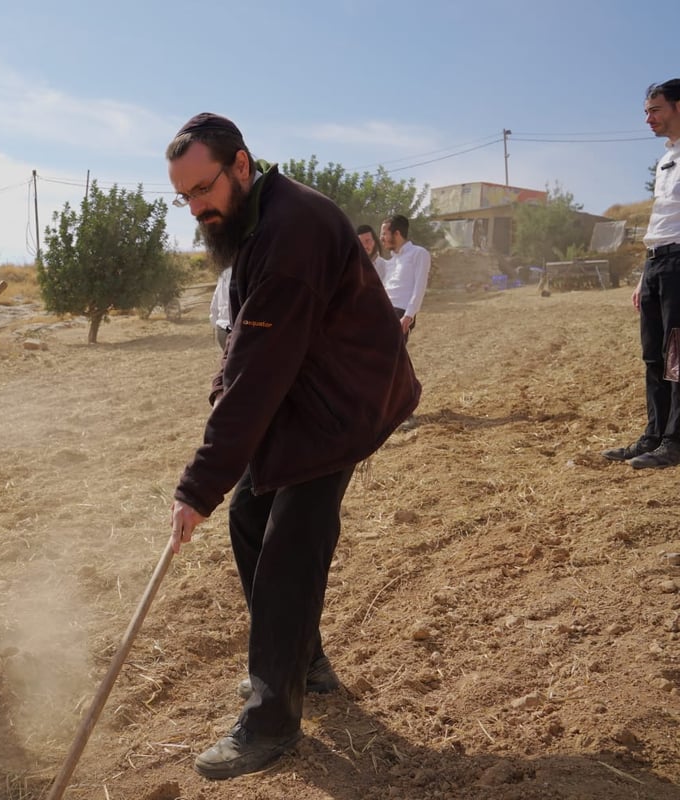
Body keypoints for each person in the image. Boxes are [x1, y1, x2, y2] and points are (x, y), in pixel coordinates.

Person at [164, 113, 420, 780]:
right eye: (184, 196)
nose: (196, 208)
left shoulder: (290, 230)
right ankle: (302, 658)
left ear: (241, 166)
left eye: (203, 189)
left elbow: (259, 372)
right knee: (251, 514)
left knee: (288, 547)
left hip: (341, 406)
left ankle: (271, 721)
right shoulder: (254, 221)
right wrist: (220, 436)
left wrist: (197, 486)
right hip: (307, 396)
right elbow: (246, 348)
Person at [602, 79, 680, 469]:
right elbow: (660, 218)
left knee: (678, 353)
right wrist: (643, 273)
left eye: (656, 110)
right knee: (653, 355)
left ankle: (675, 441)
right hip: (656, 262)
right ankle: (653, 434)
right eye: (646, 111)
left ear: (679, 107)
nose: (648, 119)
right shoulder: (667, 158)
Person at [379, 214, 430, 339]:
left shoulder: (418, 253)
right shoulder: (390, 261)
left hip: (399, 312)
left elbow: (420, 287)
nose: (381, 238)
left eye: (384, 234)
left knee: (387, 355)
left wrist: (409, 315)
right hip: (382, 310)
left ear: (397, 234)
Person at [209, 266, 232, 350]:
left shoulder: (224, 273)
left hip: (222, 330)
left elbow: (215, 301)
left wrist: (216, 325)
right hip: (234, 331)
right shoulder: (243, 270)